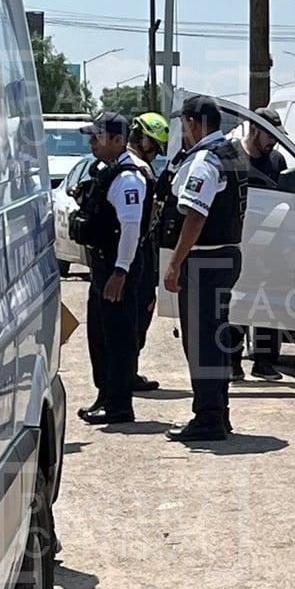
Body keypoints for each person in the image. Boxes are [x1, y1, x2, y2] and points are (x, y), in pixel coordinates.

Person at [161, 95, 248, 442]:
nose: (184, 133)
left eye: (185, 125)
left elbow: (196, 216)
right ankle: (218, 412)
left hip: (205, 260)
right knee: (215, 339)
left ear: (196, 123)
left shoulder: (205, 161)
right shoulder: (232, 153)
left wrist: (175, 263)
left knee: (201, 344)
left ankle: (208, 418)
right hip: (226, 256)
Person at [73, 111, 150, 425]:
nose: (92, 142)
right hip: (104, 264)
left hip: (119, 266)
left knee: (118, 338)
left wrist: (120, 271)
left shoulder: (128, 178)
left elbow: (130, 229)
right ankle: (105, 396)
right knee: (100, 335)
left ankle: (119, 404)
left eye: (98, 136)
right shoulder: (107, 171)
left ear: (118, 140)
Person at [229, 107, 288, 381]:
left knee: (267, 301)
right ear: (253, 129)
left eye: (276, 137)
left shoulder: (277, 161)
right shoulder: (232, 157)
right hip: (238, 242)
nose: (272, 142)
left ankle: (265, 362)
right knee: (236, 302)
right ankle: (231, 361)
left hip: (270, 245)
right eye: (269, 135)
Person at [127, 111, 171, 392]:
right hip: (137, 253)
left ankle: (127, 370)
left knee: (138, 313)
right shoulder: (138, 170)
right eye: (154, 146)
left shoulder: (136, 166)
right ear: (142, 139)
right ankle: (127, 372)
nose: (155, 154)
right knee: (137, 314)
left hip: (137, 252)